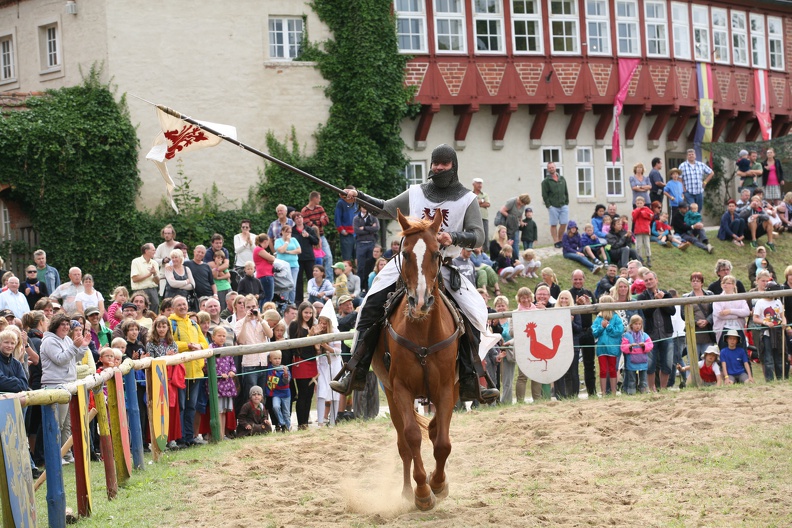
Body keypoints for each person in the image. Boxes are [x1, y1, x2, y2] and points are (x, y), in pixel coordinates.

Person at [330, 144, 499, 402]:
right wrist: (358, 196)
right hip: (408, 262)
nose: (439, 168)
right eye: (436, 163)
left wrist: (452, 236)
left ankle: (472, 376)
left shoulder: (467, 199)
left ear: (453, 167)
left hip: (442, 264)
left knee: (475, 313)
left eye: (444, 164)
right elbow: (386, 207)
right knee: (370, 304)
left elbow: (478, 236)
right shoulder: (416, 192)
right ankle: (356, 369)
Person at [40, 314, 88, 463]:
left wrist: (83, 346)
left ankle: (65, 454)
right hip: (55, 385)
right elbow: (60, 360)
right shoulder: (49, 341)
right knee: (57, 423)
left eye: (68, 324)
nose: (66, 327)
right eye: (63, 324)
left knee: (67, 424)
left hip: (68, 383)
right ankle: (54, 456)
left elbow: (74, 358)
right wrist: (75, 346)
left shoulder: (66, 339)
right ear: (55, 326)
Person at [169, 296, 209, 446]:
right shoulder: (170, 323)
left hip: (196, 372)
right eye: (178, 305)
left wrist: (199, 346)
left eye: (184, 304)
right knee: (181, 407)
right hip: (180, 373)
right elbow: (170, 343)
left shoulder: (193, 323)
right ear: (173, 308)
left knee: (191, 406)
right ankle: (179, 437)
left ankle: (189, 436)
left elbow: (204, 343)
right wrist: (188, 345)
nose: (182, 307)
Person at [636, 272, 675, 391]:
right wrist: (655, 300)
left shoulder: (666, 294)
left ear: (656, 280)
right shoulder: (642, 297)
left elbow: (672, 311)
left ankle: (663, 388)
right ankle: (652, 388)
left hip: (666, 333)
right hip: (650, 335)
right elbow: (646, 314)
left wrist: (662, 300)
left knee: (667, 363)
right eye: (646, 280)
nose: (649, 282)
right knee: (650, 364)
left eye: (650, 279)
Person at [235, 294, 273, 406]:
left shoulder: (262, 322)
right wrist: (246, 322)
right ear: (244, 308)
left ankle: (261, 419)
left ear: (257, 306)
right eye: (248, 307)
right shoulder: (239, 323)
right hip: (249, 364)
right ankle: (249, 420)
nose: (251, 309)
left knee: (261, 395)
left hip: (263, 362)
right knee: (251, 394)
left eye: (253, 306)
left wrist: (260, 319)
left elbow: (270, 334)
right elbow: (240, 341)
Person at [289, 302, 318, 429]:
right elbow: (296, 343)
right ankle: (301, 423)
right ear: (301, 312)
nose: (308, 315)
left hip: (312, 361)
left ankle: (305, 421)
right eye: (306, 312)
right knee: (302, 393)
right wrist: (310, 335)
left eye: (310, 313)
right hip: (300, 361)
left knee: (309, 394)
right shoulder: (294, 324)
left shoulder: (312, 325)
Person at [569, 270, 597, 396]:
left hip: (588, 331)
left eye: (580, 279)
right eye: (575, 279)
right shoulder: (568, 294)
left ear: (584, 280)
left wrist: (589, 305)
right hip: (574, 333)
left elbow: (597, 311)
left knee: (589, 363)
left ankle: (592, 392)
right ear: (572, 280)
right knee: (573, 364)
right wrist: (576, 305)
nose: (578, 281)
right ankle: (573, 392)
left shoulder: (589, 293)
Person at [752, 281, 786, 382]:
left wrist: (784, 323)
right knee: (768, 357)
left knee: (779, 356)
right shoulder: (760, 302)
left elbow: (782, 316)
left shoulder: (778, 302)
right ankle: (769, 380)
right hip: (766, 333)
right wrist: (766, 323)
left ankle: (781, 378)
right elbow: (755, 318)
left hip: (778, 332)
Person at [591, 295, 624, 396]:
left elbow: (618, 331)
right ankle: (604, 392)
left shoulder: (616, 318)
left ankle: (613, 391)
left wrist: (608, 327)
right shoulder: (598, 319)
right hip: (602, 349)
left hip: (613, 349)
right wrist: (601, 327)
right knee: (603, 370)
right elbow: (594, 332)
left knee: (613, 369)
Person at [208, 326, 236, 440]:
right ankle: (217, 435)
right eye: (219, 335)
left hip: (227, 384)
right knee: (218, 411)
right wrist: (219, 373)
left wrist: (232, 371)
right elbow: (208, 365)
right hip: (217, 385)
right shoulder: (210, 348)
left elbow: (232, 363)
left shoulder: (226, 349)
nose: (222, 338)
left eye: (224, 336)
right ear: (213, 337)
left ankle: (222, 434)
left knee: (224, 411)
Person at [712, 274, 751, 349]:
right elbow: (719, 314)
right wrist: (738, 315)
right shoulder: (717, 299)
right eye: (723, 283)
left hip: (738, 329)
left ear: (734, 285)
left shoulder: (740, 298)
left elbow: (746, 312)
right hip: (723, 329)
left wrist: (730, 311)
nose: (725, 285)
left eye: (728, 283)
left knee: (740, 352)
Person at [682, 272, 715, 358]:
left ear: (702, 283)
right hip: (693, 332)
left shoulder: (710, 294)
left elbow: (715, 310)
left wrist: (708, 320)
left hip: (707, 332)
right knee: (692, 361)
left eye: (697, 281)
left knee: (709, 360)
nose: (695, 282)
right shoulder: (686, 297)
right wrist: (696, 322)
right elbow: (683, 315)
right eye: (693, 281)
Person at [302, 191, 334, 280]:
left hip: (321, 236)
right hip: (311, 238)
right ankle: (317, 280)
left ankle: (329, 280)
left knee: (328, 256)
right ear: (314, 198)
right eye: (319, 198)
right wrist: (319, 221)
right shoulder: (305, 211)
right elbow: (309, 225)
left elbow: (326, 220)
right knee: (316, 259)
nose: (320, 200)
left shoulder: (320, 208)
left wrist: (316, 222)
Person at [620, 314, 652, 395]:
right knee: (632, 379)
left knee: (643, 379)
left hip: (643, 362)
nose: (637, 326)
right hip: (631, 363)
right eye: (635, 324)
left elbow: (650, 345)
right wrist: (629, 347)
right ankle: (631, 393)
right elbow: (623, 347)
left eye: (639, 324)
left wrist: (644, 345)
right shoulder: (627, 335)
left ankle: (643, 392)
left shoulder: (644, 335)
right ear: (631, 325)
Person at [292, 213, 319, 305]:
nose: (298, 220)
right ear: (294, 221)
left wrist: (308, 236)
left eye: (300, 217)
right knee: (298, 280)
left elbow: (316, 241)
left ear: (303, 219)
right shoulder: (292, 231)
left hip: (309, 257)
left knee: (311, 278)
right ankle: (298, 301)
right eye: (296, 218)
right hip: (297, 258)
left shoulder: (309, 229)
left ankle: (313, 299)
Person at [541, 161, 569, 248]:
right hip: (553, 206)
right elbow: (544, 195)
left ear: (555, 167)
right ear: (547, 169)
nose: (551, 169)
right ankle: (556, 241)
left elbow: (565, 191)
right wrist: (549, 205)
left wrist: (566, 201)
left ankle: (560, 239)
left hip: (563, 205)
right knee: (553, 224)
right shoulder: (546, 181)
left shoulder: (562, 179)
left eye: (552, 167)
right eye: (549, 168)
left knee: (564, 223)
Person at [353, 204, 379, 293]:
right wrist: (370, 229)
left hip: (371, 243)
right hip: (361, 244)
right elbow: (357, 230)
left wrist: (364, 228)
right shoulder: (356, 218)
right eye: (362, 207)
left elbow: (376, 228)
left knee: (370, 265)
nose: (364, 209)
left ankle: (369, 287)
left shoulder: (373, 217)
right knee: (361, 267)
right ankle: (360, 288)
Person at [678, 148, 714, 213]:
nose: (691, 156)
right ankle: (692, 222)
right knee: (692, 208)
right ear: (687, 156)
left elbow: (711, 173)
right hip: (689, 191)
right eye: (689, 155)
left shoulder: (701, 165)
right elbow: (679, 178)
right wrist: (683, 188)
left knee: (699, 208)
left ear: (695, 155)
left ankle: (697, 221)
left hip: (699, 191)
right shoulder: (682, 166)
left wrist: (705, 182)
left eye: (692, 154)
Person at [130, 243, 160, 313]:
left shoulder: (155, 263)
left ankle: (154, 323)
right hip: (140, 290)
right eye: (153, 250)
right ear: (146, 251)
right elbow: (135, 279)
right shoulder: (136, 262)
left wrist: (154, 273)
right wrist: (149, 274)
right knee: (139, 309)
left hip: (153, 290)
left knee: (155, 306)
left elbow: (157, 281)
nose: (154, 252)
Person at [266, 349, 291, 432]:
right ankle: (282, 423)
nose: (277, 361)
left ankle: (288, 427)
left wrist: (285, 375)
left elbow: (286, 382)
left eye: (279, 358)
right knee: (275, 407)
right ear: (270, 359)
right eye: (275, 358)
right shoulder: (268, 368)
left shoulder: (285, 368)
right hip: (275, 393)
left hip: (285, 393)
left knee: (286, 412)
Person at [335, 186, 358, 262]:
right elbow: (337, 218)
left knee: (357, 257)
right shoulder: (341, 203)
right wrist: (342, 230)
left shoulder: (356, 202)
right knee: (346, 258)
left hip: (356, 233)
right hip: (346, 234)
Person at [631, 197, 654, 267]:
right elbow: (634, 218)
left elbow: (650, 216)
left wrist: (643, 212)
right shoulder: (635, 210)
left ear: (643, 203)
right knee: (638, 245)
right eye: (637, 203)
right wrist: (639, 210)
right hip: (638, 230)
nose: (639, 204)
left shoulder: (647, 210)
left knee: (647, 245)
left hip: (646, 230)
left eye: (640, 203)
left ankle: (648, 258)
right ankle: (639, 258)